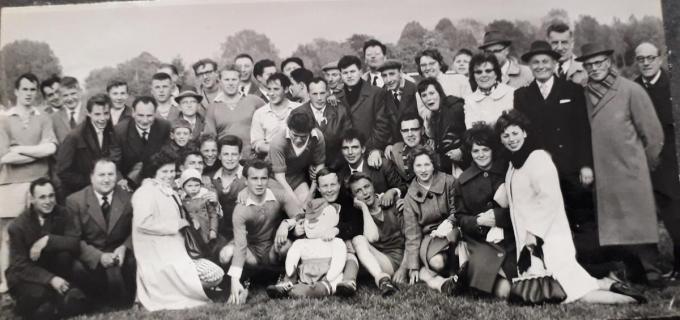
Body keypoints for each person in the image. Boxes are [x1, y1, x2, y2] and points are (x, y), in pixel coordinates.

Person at [497, 109, 643, 304]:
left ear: (525, 132)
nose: (511, 139)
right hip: (529, 242)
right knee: (551, 287)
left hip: (548, 239)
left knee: (572, 293)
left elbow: (550, 200)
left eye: (515, 133)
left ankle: (630, 301)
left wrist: (533, 235)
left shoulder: (538, 158)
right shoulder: (513, 165)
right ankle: (609, 283)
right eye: (506, 135)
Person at [579, 43, 665, 287]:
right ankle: (632, 271)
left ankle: (653, 273)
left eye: (599, 63)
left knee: (640, 223)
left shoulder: (630, 90)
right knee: (616, 228)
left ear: (609, 62)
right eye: (589, 65)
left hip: (632, 171)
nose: (595, 69)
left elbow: (653, 134)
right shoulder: (584, 94)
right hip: (603, 174)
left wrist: (643, 167)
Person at [513, 40, 593, 230]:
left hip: (571, 166)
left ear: (554, 63)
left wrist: (585, 165)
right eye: (536, 62)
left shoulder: (572, 90)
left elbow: (582, 130)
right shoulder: (522, 96)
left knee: (580, 216)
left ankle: (586, 258)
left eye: (545, 61)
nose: (541, 66)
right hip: (540, 168)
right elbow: (523, 136)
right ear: (530, 66)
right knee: (547, 218)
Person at [132, 152, 222, 312]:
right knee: (213, 274)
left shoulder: (169, 190)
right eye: (164, 172)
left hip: (176, 249)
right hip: (156, 253)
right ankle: (166, 290)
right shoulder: (145, 192)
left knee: (216, 274)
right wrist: (177, 224)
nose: (170, 175)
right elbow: (142, 223)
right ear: (154, 172)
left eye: (172, 171)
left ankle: (177, 288)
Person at [0, 73, 58, 293]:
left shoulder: (43, 117)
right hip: (10, 184)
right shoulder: (3, 119)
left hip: (39, 182)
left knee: (39, 232)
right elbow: (4, 157)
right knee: (8, 234)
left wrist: (20, 149)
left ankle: (38, 278)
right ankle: (6, 280)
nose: (29, 94)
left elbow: (51, 149)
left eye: (33, 89)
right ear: (16, 91)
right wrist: (37, 152)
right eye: (25, 89)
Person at [218, 159, 302, 305]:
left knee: (287, 245)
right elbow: (240, 245)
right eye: (254, 178)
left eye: (263, 178)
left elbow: (300, 215)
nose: (259, 183)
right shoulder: (241, 209)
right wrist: (234, 279)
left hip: (272, 248)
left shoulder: (279, 195)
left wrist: (286, 223)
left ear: (268, 180)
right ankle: (242, 283)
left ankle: (284, 277)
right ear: (246, 181)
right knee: (226, 254)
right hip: (250, 251)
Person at [7, 178, 89, 319]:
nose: (48, 201)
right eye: (42, 197)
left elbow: (75, 243)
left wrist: (48, 240)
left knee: (74, 270)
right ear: (32, 199)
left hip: (56, 267)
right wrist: (50, 279)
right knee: (40, 297)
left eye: (51, 196)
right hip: (28, 274)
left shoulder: (64, 213)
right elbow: (20, 266)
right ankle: (41, 305)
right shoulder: (18, 225)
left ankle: (60, 302)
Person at [451, 124, 515, 298]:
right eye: (476, 151)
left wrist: (498, 217)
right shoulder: (463, 181)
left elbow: (522, 209)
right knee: (503, 291)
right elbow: (461, 218)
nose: (481, 155)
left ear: (493, 149)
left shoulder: (508, 171)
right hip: (481, 242)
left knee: (514, 286)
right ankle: (471, 273)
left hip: (511, 239)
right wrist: (478, 221)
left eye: (485, 149)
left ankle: (473, 274)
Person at [634, 42, 680, 280]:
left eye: (650, 58)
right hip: (642, 160)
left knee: (674, 213)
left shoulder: (671, 85)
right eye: (641, 59)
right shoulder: (633, 86)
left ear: (660, 59)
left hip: (671, 160)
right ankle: (649, 267)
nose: (646, 63)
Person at [67, 159, 135, 305]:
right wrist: (98, 257)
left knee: (133, 263)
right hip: (91, 254)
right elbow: (73, 239)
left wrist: (124, 247)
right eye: (101, 175)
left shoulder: (128, 198)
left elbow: (135, 230)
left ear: (116, 176)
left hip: (119, 253)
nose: (106, 179)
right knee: (76, 268)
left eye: (111, 174)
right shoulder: (75, 201)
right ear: (92, 177)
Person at [402, 146, 463, 295]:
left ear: (433, 164)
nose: (423, 170)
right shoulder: (410, 196)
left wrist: (448, 223)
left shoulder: (449, 181)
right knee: (437, 263)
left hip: (454, 229)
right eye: (418, 165)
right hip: (431, 238)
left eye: (427, 164)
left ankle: (459, 271)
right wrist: (413, 266)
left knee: (461, 252)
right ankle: (447, 271)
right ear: (412, 167)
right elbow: (413, 233)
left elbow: (459, 209)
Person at [349, 173, 405, 297]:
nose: (364, 193)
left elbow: (411, 239)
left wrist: (404, 268)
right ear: (354, 197)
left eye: (366, 186)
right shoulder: (359, 214)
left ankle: (382, 279)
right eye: (358, 191)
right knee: (358, 240)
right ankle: (383, 281)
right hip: (378, 260)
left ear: (373, 186)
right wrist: (364, 207)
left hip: (397, 258)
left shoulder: (391, 202)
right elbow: (372, 237)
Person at [56, 93, 122, 197]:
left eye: (106, 113)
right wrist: (92, 180)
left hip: (103, 190)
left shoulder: (110, 130)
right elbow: (62, 172)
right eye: (97, 114)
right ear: (88, 113)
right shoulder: (74, 137)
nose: (103, 118)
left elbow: (115, 155)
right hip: (77, 192)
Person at [337, 55, 393, 169]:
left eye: (352, 71)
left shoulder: (376, 93)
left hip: (371, 152)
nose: (349, 76)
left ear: (360, 71)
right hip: (345, 156)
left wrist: (366, 149)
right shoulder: (336, 97)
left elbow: (382, 127)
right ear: (341, 75)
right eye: (345, 72)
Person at [289, 77, 352, 170]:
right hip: (307, 169)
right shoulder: (297, 113)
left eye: (322, 93)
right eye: (314, 94)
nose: (319, 98)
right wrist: (309, 166)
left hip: (337, 166)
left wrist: (331, 167)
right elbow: (294, 145)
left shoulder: (340, 111)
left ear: (327, 92)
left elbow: (347, 142)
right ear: (308, 94)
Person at [204, 64, 266, 157]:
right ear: (220, 81)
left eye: (234, 79)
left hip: (254, 159)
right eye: (226, 80)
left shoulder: (255, 101)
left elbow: (269, 125)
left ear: (240, 81)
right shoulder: (212, 107)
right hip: (226, 160)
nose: (230, 83)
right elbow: (210, 139)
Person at [114, 96, 172, 189]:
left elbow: (167, 156)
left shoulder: (164, 127)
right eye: (140, 115)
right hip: (127, 182)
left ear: (155, 113)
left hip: (156, 180)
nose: (145, 121)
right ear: (133, 112)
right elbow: (113, 162)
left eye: (149, 116)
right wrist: (120, 180)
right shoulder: (119, 131)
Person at [270, 112, 326, 204]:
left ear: (310, 131)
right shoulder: (277, 143)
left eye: (303, 136)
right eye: (295, 135)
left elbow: (320, 164)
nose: (298, 140)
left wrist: (311, 194)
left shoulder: (317, 137)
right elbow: (279, 177)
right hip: (276, 181)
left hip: (297, 178)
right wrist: (296, 202)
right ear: (289, 129)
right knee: (294, 208)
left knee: (308, 206)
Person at [338, 129, 406, 201]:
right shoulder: (342, 175)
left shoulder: (382, 165)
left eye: (355, 147)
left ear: (363, 149)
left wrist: (393, 191)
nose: (350, 152)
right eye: (345, 148)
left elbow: (403, 187)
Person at [417, 78, 466, 176]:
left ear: (439, 93)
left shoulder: (456, 108)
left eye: (432, 93)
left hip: (464, 164)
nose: (428, 98)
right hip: (449, 166)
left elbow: (472, 134)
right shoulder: (434, 115)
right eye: (424, 95)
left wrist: (462, 151)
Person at [209, 136, 247, 248]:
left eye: (234, 154)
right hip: (220, 233)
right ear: (219, 156)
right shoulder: (211, 178)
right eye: (226, 154)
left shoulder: (249, 177)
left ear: (240, 156)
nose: (230, 158)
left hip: (245, 233)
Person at [251, 73, 301, 157]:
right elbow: (257, 144)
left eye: (276, 89)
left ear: (286, 89)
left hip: (297, 159)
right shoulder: (260, 113)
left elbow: (308, 138)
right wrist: (279, 149)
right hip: (269, 159)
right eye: (269, 89)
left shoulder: (299, 109)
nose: (271, 93)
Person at [464, 53, 515, 128]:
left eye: (488, 71)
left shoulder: (511, 93)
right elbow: (470, 129)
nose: (484, 75)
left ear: (496, 73)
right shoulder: (470, 100)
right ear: (473, 76)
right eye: (478, 72)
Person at [385, 112, 433, 183]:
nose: (410, 134)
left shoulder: (431, 149)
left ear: (422, 130)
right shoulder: (396, 149)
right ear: (401, 132)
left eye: (414, 129)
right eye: (405, 130)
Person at [378, 60, 418, 142]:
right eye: (384, 76)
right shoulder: (382, 94)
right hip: (396, 145)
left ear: (400, 73)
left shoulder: (415, 90)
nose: (388, 80)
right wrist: (389, 144)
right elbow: (384, 124)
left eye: (392, 74)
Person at [180, 168, 219, 244]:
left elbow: (213, 215)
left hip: (205, 230)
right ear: (183, 187)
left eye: (197, 185)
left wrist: (213, 230)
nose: (193, 189)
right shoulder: (182, 201)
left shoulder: (205, 197)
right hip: (191, 233)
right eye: (190, 186)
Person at [52, 76, 86, 143]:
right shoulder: (54, 117)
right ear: (60, 96)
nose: (70, 99)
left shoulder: (90, 112)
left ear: (80, 92)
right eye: (65, 95)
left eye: (73, 94)